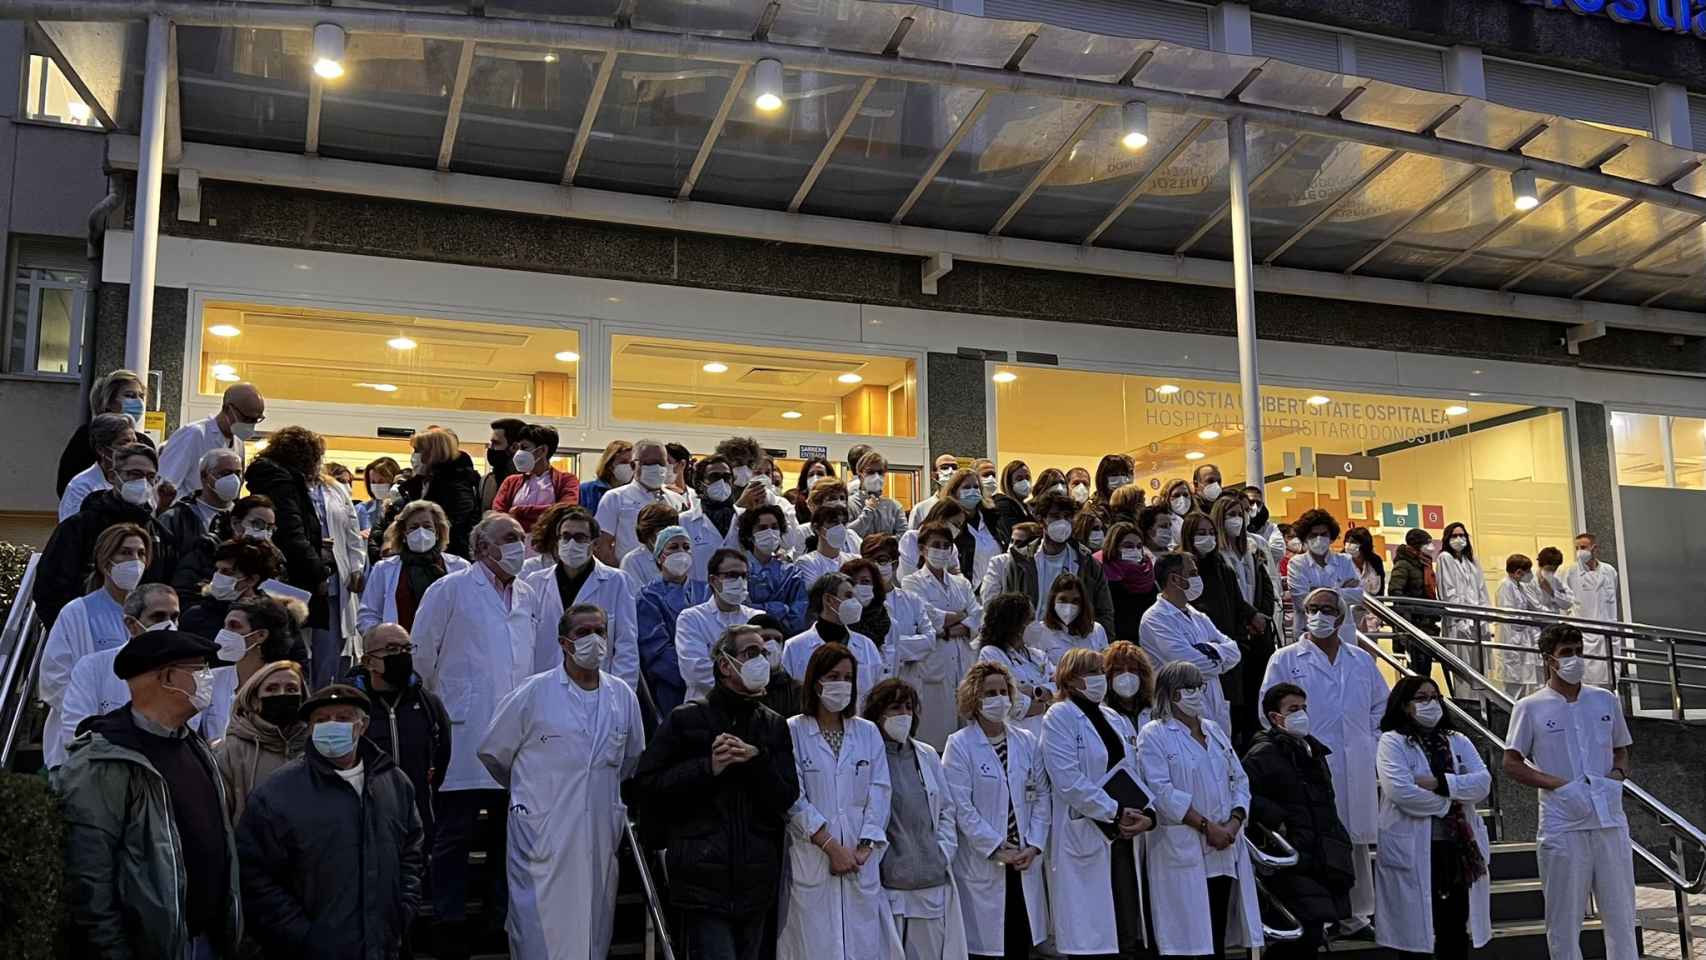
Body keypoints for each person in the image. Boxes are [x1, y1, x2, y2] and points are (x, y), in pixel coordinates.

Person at [57, 628, 243, 959]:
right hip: (151, 948)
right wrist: (113, 950)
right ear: (168, 678)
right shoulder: (104, 760)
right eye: (198, 669)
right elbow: (89, 872)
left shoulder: (191, 743)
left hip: (206, 940)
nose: (207, 678)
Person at [478, 602, 644, 960]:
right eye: (583, 632)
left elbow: (630, 758)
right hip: (542, 831)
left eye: (600, 631)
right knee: (540, 934)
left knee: (593, 931)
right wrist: (531, 798)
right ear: (563, 643)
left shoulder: (622, 696)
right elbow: (493, 753)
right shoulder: (533, 692)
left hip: (598, 831)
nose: (594, 640)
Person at [629, 623, 800, 960]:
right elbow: (646, 787)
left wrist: (757, 760)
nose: (762, 661)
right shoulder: (685, 720)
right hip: (701, 881)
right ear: (725, 665)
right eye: (751, 653)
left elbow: (786, 796)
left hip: (756, 881)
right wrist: (708, 767)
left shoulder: (773, 724)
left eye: (765, 654)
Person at [410, 513, 536, 959]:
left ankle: (497, 919)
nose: (519, 545)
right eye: (509, 538)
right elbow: (422, 655)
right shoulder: (450, 589)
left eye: (521, 537)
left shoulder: (527, 593)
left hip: (512, 736)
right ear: (482, 548)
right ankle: (448, 920)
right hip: (460, 732)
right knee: (454, 837)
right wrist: (437, 709)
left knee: (508, 840)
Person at [237, 684, 424, 959]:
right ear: (310, 728)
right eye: (321, 720)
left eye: (343, 718)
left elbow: (412, 852)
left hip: (384, 945)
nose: (331, 726)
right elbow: (254, 874)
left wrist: (403, 909)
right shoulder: (277, 792)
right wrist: (301, 935)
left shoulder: (394, 783)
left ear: (363, 725)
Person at [1258, 587, 1388, 937]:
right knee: (1318, 838)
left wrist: (1370, 739)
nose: (1319, 615)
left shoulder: (1360, 659)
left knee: (1356, 840)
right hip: (1308, 762)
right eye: (1312, 608)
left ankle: (1358, 915)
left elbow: (1381, 705)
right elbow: (1267, 709)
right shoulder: (1286, 659)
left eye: (1327, 609)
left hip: (1356, 759)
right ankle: (1324, 915)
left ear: (1341, 617)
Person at [1503, 625, 1635, 960]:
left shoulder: (1605, 700)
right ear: (1549, 659)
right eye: (1566, 653)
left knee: (1621, 916)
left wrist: (1616, 777)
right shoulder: (1530, 707)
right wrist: (1558, 785)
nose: (1575, 659)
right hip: (1563, 825)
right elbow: (1512, 763)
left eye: (1579, 650)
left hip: (1609, 821)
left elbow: (1621, 749)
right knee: (1564, 919)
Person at [778, 642, 903, 959]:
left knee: (864, 944)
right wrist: (832, 847)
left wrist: (864, 847)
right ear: (816, 681)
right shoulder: (792, 731)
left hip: (860, 860)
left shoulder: (868, 732)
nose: (842, 684)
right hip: (814, 856)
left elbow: (880, 791)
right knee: (815, 946)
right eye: (834, 676)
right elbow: (793, 799)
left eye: (848, 677)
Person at [1137, 660, 1264, 960]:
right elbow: (1162, 792)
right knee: (1186, 939)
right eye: (1187, 688)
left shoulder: (1214, 730)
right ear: (1170, 693)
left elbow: (1239, 779)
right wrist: (1208, 827)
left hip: (1224, 846)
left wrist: (1234, 822)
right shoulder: (1154, 734)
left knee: (1216, 933)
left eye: (1199, 687)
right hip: (1185, 846)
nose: (1195, 693)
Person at [1040, 647, 1154, 959]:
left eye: (1100, 671)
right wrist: (1114, 811)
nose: (1100, 679)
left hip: (1122, 833)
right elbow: (1068, 780)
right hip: (1088, 827)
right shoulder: (1059, 717)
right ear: (1070, 678)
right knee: (1091, 934)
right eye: (1090, 673)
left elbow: (1132, 770)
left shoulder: (1112, 716)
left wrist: (1146, 813)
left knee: (1126, 924)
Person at [1373, 675, 1492, 960]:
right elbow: (1400, 791)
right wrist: (1449, 803)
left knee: (1454, 927)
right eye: (1421, 698)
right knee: (1413, 938)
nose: (1430, 703)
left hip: (1457, 848)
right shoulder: (1392, 742)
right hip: (1414, 849)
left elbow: (1483, 783)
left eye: (1435, 697)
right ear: (1404, 706)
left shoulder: (1457, 740)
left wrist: (1441, 783)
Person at [942, 661, 1051, 960]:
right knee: (988, 949)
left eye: (1004, 691)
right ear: (974, 698)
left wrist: (1034, 844)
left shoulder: (1027, 741)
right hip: (985, 861)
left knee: (1019, 943)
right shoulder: (959, 745)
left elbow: (1042, 795)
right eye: (990, 693)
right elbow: (960, 806)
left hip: (1024, 859)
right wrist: (994, 846)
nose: (999, 699)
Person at [1241, 682, 1355, 959]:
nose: (1301, 714)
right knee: (1297, 936)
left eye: (1303, 708)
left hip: (1320, 853)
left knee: (1312, 933)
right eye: (1293, 709)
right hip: (1292, 855)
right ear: (1274, 716)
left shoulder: (1310, 750)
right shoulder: (1263, 754)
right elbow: (1245, 794)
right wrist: (1280, 821)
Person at [865, 678, 969, 960]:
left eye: (908, 708)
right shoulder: (867, 756)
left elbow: (946, 810)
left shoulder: (926, 755)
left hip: (930, 881)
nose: (903, 715)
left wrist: (942, 852)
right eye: (895, 708)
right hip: (888, 884)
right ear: (877, 714)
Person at [39, 522, 153, 768]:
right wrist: (93, 723)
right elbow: (54, 678)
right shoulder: (77, 613)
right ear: (105, 561)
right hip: (86, 742)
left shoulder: (155, 614)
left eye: (141, 553)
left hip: (142, 741)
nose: (135, 560)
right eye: (125, 552)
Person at [35, 442, 164, 626]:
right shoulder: (78, 527)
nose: (143, 482)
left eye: (150, 477)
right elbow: (50, 587)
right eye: (134, 474)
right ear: (113, 476)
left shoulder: (158, 533)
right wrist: (72, 629)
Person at [522, 504, 640, 687]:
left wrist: (623, 692)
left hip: (597, 684)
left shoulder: (617, 582)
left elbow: (626, 645)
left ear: (593, 544)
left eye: (580, 538)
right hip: (546, 682)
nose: (571, 543)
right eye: (566, 537)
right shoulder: (535, 582)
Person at [242, 424, 336, 652]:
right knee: (291, 646)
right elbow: (292, 532)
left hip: (282, 572)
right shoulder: (283, 483)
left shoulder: (274, 478)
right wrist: (319, 572)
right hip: (292, 578)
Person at [56, 583, 180, 748]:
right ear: (131, 624)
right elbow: (77, 733)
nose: (169, 625)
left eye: (174, 618)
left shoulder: (186, 672)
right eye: (158, 617)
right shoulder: (92, 668)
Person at [1139, 552, 1243, 733]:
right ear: (1175, 579)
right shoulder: (1155, 619)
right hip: (1178, 711)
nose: (1198, 579)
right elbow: (1190, 665)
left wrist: (1207, 651)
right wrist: (1218, 655)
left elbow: (1235, 651)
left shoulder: (1197, 615)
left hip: (1214, 704)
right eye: (1192, 574)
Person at [904, 520, 982, 744]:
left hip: (963, 660)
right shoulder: (912, 582)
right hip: (934, 667)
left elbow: (977, 614)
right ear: (922, 548)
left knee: (967, 733)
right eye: (936, 545)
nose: (942, 550)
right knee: (936, 736)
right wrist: (960, 615)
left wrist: (954, 625)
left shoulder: (961, 582)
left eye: (946, 545)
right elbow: (926, 616)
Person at [1001, 490, 1116, 638]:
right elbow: (1007, 609)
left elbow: (1104, 612)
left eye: (1067, 517)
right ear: (1041, 520)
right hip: (1031, 642)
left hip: (1075, 642)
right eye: (1055, 517)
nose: (1062, 522)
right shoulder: (1020, 562)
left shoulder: (1088, 563)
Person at [213, 660, 307, 823]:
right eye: (272, 689)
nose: (282, 694)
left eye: (291, 689)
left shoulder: (315, 746)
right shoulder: (231, 751)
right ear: (255, 699)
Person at [357, 499, 470, 633]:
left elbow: (472, 612)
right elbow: (368, 614)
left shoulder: (460, 567)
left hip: (448, 650)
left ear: (437, 532)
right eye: (414, 527)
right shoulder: (383, 569)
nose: (421, 532)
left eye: (427, 526)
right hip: (400, 649)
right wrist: (382, 639)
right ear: (404, 533)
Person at [782, 572, 888, 712]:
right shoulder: (795, 646)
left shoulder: (867, 646)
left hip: (857, 727)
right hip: (809, 726)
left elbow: (878, 695)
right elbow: (788, 696)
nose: (855, 603)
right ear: (828, 600)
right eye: (849, 596)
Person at [636, 525, 711, 716]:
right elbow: (656, 649)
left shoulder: (706, 591)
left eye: (686, 547)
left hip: (713, 680)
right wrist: (692, 674)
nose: (681, 552)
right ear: (660, 556)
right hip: (673, 685)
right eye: (673, 547)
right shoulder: (648, 597)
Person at [307, 456, 367, 690]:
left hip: (335, 582)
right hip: (303, 582)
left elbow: (352, 532)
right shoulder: (286, 488)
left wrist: (356, 568)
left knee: (330, 657)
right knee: (301, 655)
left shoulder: (335, 489)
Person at [678, 547, 766, 703]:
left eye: (744, 576)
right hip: (705, 706)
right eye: (731, 575)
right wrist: (743, 683)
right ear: (713, 580)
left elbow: (765, 666)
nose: (740, 582)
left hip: (752, 706)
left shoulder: (758, 618)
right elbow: (695, 671)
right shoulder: (691, 618)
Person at [57, 368, 156, 496]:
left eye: (141, 396)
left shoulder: (144, 442)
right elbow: (66, 484)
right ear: (109, 401)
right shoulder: (88, 436)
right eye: (130, 396)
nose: (138, 402)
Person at [158, 382, 265, 497]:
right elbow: (165, 486)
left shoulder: (238, 443)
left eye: (256, 420)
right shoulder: (193, 434)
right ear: (228, 409)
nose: (251, 425)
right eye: (247, 418)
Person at [153, 448, 244, 583]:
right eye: (225, 473)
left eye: (238, 473)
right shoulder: (176, 518)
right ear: (204, 476)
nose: (233, 479)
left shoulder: (246, 515)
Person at [594, 438, 689, 564]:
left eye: (661, 463)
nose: (656, 468)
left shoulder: (677, 499)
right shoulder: (615, 497)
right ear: (633, 465)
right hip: (631, 575)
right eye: (649, 463)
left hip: (670, 576)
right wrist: (621, 576)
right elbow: (602, 545)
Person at [180, 539, 286, 648]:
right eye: (217, 569)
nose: (217, 576)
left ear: (251, 580)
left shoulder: (274, 618)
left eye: (226, 571)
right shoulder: (195, 617)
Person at [398, 427, 483, 559]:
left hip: (447, 556)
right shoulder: (421, 483)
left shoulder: (455, 485)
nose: (413, 456)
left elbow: (455, 526)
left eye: (417, 451)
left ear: (432, 453)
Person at [1288, 509, 1364, 650]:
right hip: (1308, 633)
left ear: (1331, 537)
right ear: (1305, 538)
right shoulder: (1297, 564)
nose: (1319, 539)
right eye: (1313, 535)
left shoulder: (1345, 561)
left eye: (1323, 534)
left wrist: (1316, 592)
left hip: (1343, 635)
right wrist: (1340, 591)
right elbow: (1301, 602)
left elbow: (1359, 595)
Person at [489, 423, 578, 533]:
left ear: (542, 450)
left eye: (524, 447)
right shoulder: (511, 481)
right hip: (515, 545)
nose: (518, 453)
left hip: (550, 546)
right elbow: (497, 515)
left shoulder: (567, 480)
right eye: (518, 447)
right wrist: (546, 513)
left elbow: (565, 509)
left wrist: (518, 512)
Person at [737, 502, 809, 631]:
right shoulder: (737, 570)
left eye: (774, 527)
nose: (770, 532)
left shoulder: (791, 572)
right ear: (749, 535)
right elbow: (739, 610)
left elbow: (798, 616)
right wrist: (779, 608)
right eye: (762, 528)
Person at [1564, 533, 1621, 688]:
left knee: (1610, 681)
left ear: (1594, 548)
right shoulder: (1570, 572)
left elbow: (1612, 597)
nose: (1579, 552)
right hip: (1584, 635)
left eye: (1583, 547)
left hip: (1608, 634)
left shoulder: (1609, 571)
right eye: (1576, 548)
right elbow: (1564, 603)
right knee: (1586, 682)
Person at [60, 412, 141, 521]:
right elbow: (72, 530)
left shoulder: (139, 481)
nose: (132, 448)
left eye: (134, 442)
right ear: (101, 449)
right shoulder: (80, 487)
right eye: (124, 443)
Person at [1436, 521, 1492, 670]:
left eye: (1462, 535)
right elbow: (1448, 592)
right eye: (1454, 535)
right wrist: (1459, 619)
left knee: (1480, 669)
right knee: (1464, 669)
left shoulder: (1472, 561)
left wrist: (1485, 617)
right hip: (1458, 622)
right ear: (1448, 538)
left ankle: (1481, 695)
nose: (1459, 539)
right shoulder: (1445, 558)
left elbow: (1482, 590)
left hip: (1477, 620)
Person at [1023, 571, 1109, 667]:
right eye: (1063, 600)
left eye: (1075, 601)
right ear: (1053, 601)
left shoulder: (1097, 631)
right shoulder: (1037, 632)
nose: (1069, 606)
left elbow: (1105, 667)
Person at [1387, 528, 1442, 678]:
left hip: (1426, 624)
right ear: (1418, 545)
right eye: (1427, 543)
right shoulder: (1404, 565)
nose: (1431, 546)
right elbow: (1395, 592)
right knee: (1417, 668)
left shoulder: (1424, 564)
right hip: (1412, 625)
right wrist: (1407, 619)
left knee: (1425, 666)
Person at [1103, 511, 1161, 642]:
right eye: (1128, 546)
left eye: (1139, 546)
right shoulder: (1105, 576)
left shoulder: (1148, 575)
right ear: (1114, 547)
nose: (1135, 550)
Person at [1497, 553, 1548, 698]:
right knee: (1514, 688)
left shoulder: (1519, 586)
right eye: (1528, 571)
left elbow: (1534, 607)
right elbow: (1511, 616)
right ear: (1519, 572)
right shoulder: (1505, 586)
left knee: (1523, 686)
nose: (1530, 575)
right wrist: (1530, 621)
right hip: (1513, 643)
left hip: (1522, 643)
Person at [618, 501, 682, 590]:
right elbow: (637, 598)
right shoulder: (632, 561)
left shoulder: (683, 556)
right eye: (661, 531)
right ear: (648, 533)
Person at [750, 613, 804, 716]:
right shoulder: (738, 685)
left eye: (778, 640)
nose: (772, 644)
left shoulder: (796, 691)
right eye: (765, 639)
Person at [977, 521, 1040, 606]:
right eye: (1011, 541)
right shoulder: (998, 562)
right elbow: (988, 598)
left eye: (1018, 542)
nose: (1012, 546)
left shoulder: (1040, 563)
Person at [1103, 639, 1157, 732]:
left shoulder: (1155, 711)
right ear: (1108, 675)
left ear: (1142, 674)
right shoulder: (1102, 712)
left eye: (1132, 670)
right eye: (1119, 670)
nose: (1126, 675)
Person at [797, 500, 856, 583]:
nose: (841, 527)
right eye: (834, 523)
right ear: (817, 528)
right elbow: (816, 593)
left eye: (844, 523)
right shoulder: (806, 562)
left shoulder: (854, 560)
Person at [480, 417, 528, 513]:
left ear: (514, 447)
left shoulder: (531, 482)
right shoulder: (487, 481)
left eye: (496, 443)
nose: (491, 448)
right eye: (491, 443)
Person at [1343, 526, 1385, 634]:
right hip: (1347, 616)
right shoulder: (1340, 561)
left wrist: (1380, 615)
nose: (1348, 544)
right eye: (1347, 540)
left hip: (1371, 615)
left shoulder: (1375, 562)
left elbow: (1381, 590)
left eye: (1353, 542)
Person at [910, 453, 964, 529]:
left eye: (954, 468)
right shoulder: (921, 508)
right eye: (944, 468)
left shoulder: (965, 505)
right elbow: (912, 538)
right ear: (934, 475)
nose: (951, 471)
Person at [988, 460, 1033, 546]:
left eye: (1027, 478)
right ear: (1009, 483)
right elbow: (1012, 533)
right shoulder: (1004, 505)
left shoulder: (1025, 507)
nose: (1025, 482)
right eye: (1019, 479)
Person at [357, 456, 401, 541]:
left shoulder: (405, 508)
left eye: (381, 481)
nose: (377, 486)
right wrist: (358, 535)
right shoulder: (361, 510)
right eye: (373, 482)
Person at [1533, 546, 1576, 616]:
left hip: (1555, 620)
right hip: (1538, 621)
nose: (1553, 570)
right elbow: (1534, 607)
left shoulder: (1557, 580)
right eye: (1549, 568)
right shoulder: (1530, 580)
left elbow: (1569, 603)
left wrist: (1551, 592)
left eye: (1555, 567)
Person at [1162, 477, 1195, 548]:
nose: (1182, 499)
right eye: (1176, 495)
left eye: (1186, 495)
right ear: (1167, 499)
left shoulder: (1198, 517)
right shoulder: (1164, 523)